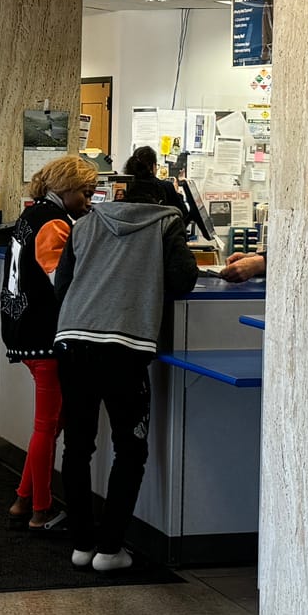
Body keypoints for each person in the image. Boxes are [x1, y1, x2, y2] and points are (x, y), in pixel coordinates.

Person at [52, 172, 197, 572]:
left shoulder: (84, 222)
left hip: (72, 340)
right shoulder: (168, 223)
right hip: (125, 346)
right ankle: (110, 548)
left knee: (78, 446)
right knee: (130, 448)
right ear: (163, 201)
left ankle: (82, 543)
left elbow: (62, 285)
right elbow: (184, 279)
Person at [0, 155, 98, 532]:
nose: (89, 202)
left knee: (51, 423)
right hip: (45, 335)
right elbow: (61, 278)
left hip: (21, 327)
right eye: (86, 194)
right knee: (47, 425)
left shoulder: (30, 214)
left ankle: (23, 499)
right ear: (66, 189)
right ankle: (42, 510)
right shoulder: (54, 223)